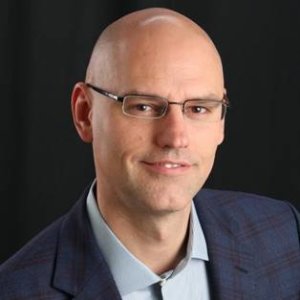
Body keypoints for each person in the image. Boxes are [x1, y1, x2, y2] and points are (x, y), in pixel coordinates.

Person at [0, 7, 299, 300]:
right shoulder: (17, 290)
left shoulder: (285, 237)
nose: (175, 138)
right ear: (85, 113)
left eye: (198, 108)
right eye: (143, 106)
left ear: (221, 121)